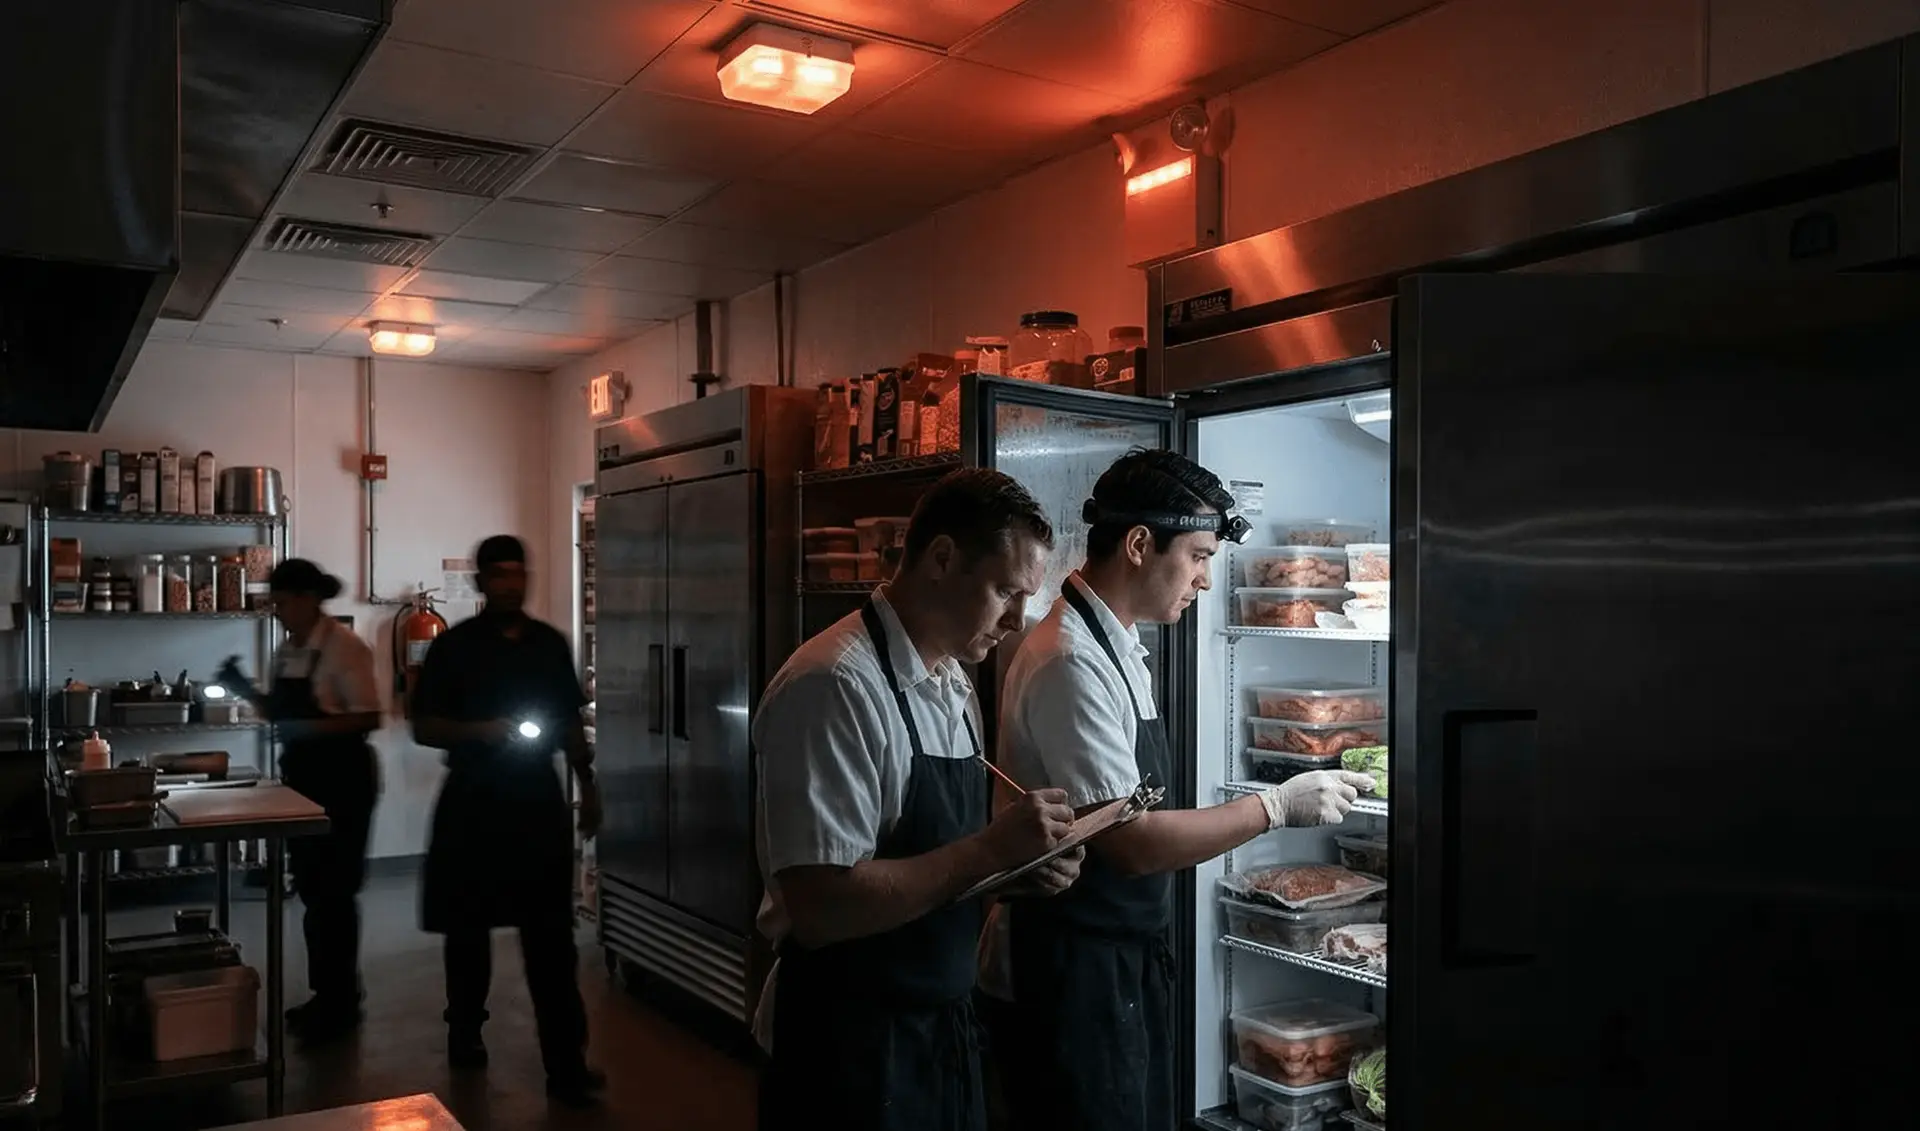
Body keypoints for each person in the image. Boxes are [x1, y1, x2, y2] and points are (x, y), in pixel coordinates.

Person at [990, 449, 1376, 1131]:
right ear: (1140, 544)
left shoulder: (1116, 645)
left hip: (1120, 952)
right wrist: (1276, 806)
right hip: (1078, 962)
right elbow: (1131, 842)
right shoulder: (1071, 660)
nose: (1204, 578)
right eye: (1198, 555)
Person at [753, 468, 1085, 1131]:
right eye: (1006, 591)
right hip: (848, 1044)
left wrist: (1012, 871)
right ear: (941, 558)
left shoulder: (949, 681)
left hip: (939, 1027)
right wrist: (989, 846)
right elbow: (822, 904)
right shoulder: (834, 685)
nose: (1019, 618)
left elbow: (936, 863)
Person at [410, 535, 605, 1107]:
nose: (509, 584)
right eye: (498, 575)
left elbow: (570, 723)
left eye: (518, 574)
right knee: (466, 932)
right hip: (472, 801)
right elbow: (423, 726)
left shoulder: (548, 645)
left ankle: (566, 1066)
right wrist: (482, 731)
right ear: (480, 582)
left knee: (550, 940)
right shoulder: (455, 648)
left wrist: (588, 785)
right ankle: (465, 1031)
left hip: (536, 805)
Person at [217, 559, 381, 1042]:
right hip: (304, 778)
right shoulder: (288, 650)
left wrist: (306, 728)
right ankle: (324, 994)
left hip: (344, 780)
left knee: (336, 893)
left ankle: (343, 999)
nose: (278, 611)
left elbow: (368, 717)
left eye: (283, 601)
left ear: (309, 598)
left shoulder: (346, 648)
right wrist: (242, 687)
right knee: (312, 891)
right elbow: (277, 710)